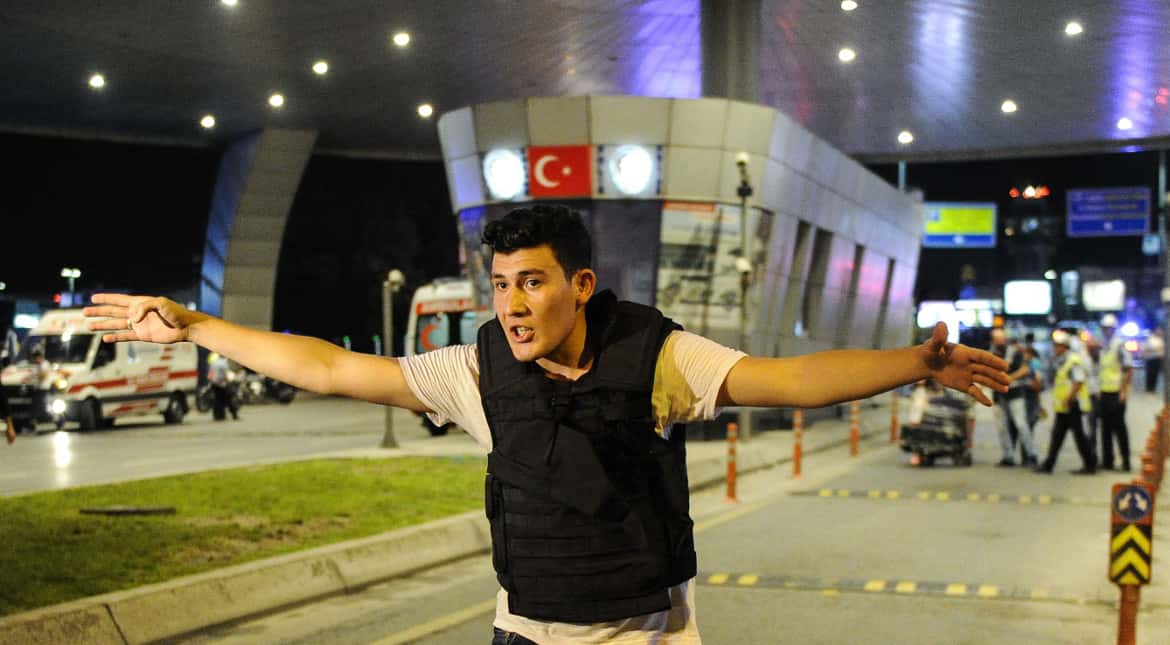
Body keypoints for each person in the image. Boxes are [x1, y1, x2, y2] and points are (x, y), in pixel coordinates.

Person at [84, 204, 1010, 644]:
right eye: (500, 285)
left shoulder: (659, 357)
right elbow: (328, 364)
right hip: (527, 633)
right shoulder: (474, 371)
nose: (513, 304)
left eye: (532, 281)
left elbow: (794, 378)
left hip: (649, 634)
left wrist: (914, 362)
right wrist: (199, 326)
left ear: (578, 285)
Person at [1035, 330, 1095, 474]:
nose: (1054, 349)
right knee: (1057, 435)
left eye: (1057, 346)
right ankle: (1049, 464)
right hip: (1064, 406)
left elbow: (1078, 381)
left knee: (1079, 436)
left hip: (1072, 405)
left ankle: (1090, 464)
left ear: (1064, 347)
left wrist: (1069, 398)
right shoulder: (1061, 361)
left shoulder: (1073, 361)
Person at [989, 329, 1038, 467]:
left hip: (1015, 393)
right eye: (997, 340)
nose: (1000, 342)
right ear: (993, 341)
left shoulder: (1015, 352)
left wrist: (1008, 379)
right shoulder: (990, 354)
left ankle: (1031, 454)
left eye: (1002, 339)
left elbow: (1025, 370)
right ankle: (1008, 456)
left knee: (1021, 424)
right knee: (1001, 427)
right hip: (998, 395)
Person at [1098, 313, 1133, 471]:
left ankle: (1126, 461)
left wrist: (1123, 391)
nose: (1107, 331)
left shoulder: (1119, 345)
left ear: (1114, 329)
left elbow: (1128, 369)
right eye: (1105, 328)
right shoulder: (1103, 346)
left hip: (1117, 393)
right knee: (1105, 429)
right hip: (1104, 392)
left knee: (1119, 428)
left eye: (1109, 328)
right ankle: (1108, 461)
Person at [207, 352, 240, 421]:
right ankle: (234, 415)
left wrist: (212, 382)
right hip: (222, 384)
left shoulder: (214, 362)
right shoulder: (224, 363)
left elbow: (210, 375)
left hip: (214, 384)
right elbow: (225, 374)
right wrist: (227, 383)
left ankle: (218, 416)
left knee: (217, 400)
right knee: (229, 399)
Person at [1143, 327, 1164, 394]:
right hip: (1150, 358)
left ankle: (1153, 388)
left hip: (1158, 358)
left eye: (1160, 331)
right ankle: (1148, 387)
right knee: (1150, 373)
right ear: (1155, 331)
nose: (1159, 332)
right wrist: (1157, 348)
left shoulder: (1160, 340)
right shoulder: (1150, 338)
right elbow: (1149, 347)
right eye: (1158, 331)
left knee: (1155, 374)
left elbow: (1162, 348)